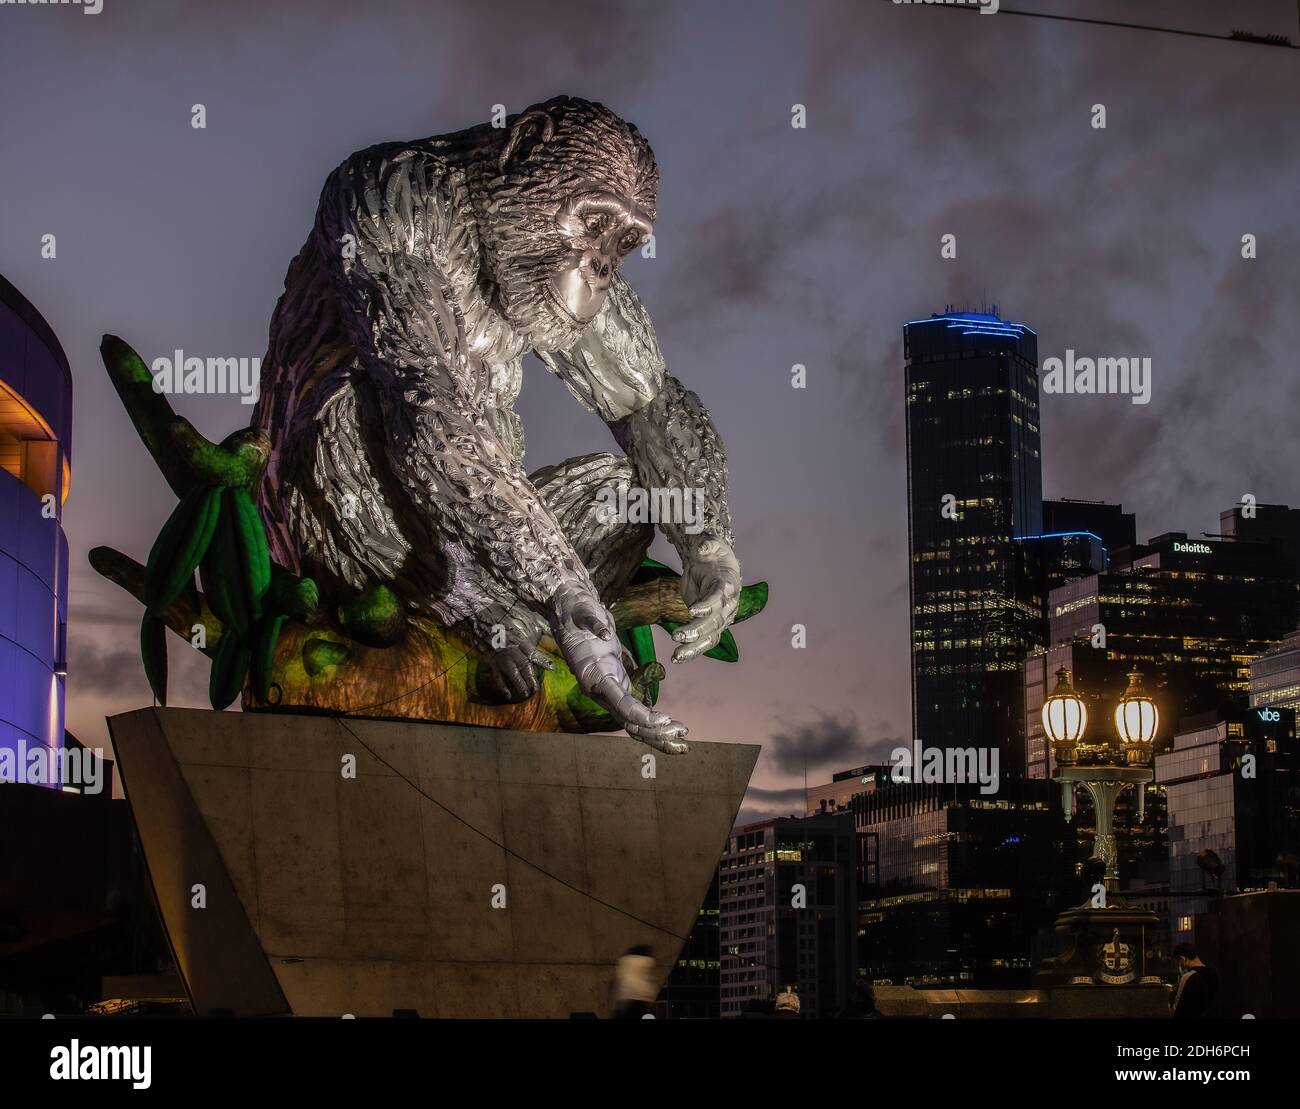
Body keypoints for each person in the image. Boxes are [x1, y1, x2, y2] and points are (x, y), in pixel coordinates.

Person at [1169, 943, 1218, 1019]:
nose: (1179, 965)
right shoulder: (1214, 973)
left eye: (1179, 962)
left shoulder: (1188, 977)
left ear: (1183, 959)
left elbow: (1176, 1010)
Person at [610, 946, 658, 1019]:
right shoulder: (648, 961)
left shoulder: (623, 961)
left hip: (625, 998)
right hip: (642, 999)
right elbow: (647, 982)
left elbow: (619, 977)